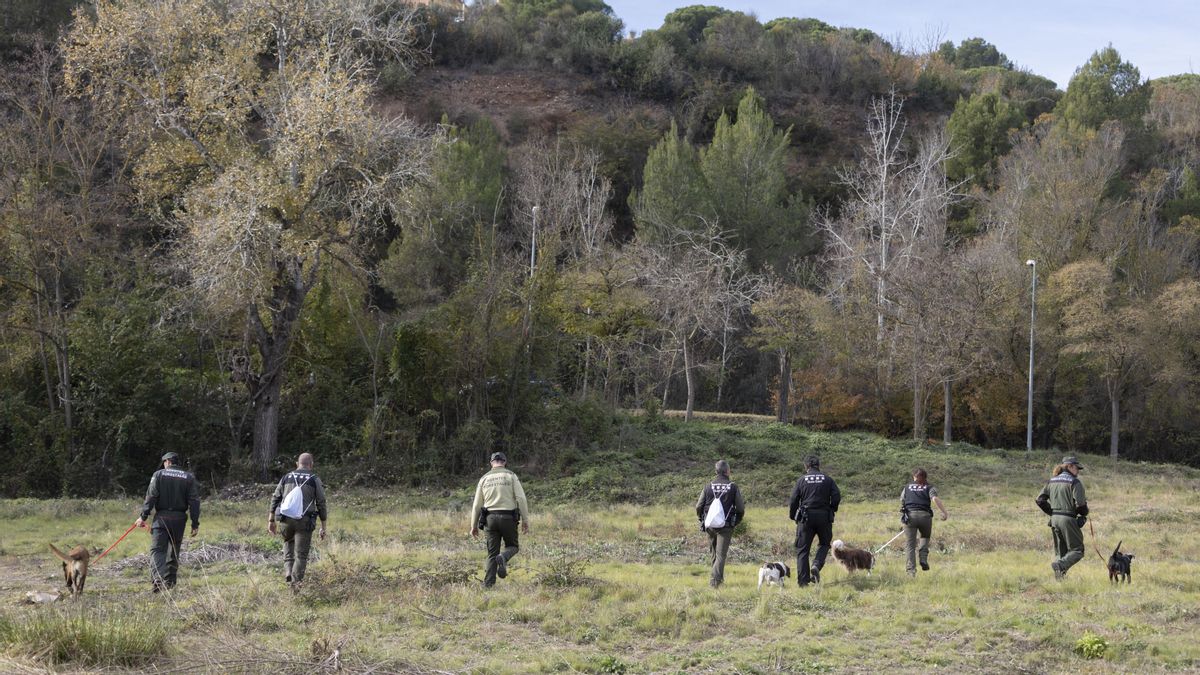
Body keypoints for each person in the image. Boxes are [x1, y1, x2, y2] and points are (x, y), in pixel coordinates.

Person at [134, 452, 200, 592]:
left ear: (168, 462)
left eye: (164, 462)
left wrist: (143, 516)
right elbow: (194, 502)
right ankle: (169, 582)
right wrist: (195, 524)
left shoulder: (158, 475)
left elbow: (151, 496)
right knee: (174, 551)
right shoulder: (189, 477)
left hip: (162, 519)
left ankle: (157, 579)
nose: (164, 465)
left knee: (157, 549)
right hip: (179, 519)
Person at [469, 451, 530, 588]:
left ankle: (488, 585)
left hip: (490, 519)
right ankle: (504, 557)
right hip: (508, 518)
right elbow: (521, 498)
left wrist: (473, 525)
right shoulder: (511, 476)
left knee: (492, 554)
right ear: (504, 462)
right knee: (513, 547)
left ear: (491, 463)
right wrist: (525, 520)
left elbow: (477, 505)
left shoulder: (484, 478)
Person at [268, 453, 328, 589]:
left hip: (285, 520)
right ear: (311, 465)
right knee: (301, 556)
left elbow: (275, 498)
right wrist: (323, 526)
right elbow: (321, 503)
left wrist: (271, 520)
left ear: (297, 464)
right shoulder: (314, 479)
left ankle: (288, 570)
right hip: (304, 521)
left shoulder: (286, 477)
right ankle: (295, 587)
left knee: (288, 543)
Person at [788, 455, 840, 586]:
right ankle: (816, 564)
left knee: (803, 550)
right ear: (819, 465)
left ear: (806, 466)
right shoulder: (828, 480)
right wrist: (831, 509)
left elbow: (793, 500)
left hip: (806, 518)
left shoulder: (801, 480)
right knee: (824, 544)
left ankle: (803, 583)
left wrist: (793, 515)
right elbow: (836, 496)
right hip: (824, 516)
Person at [1035, 456, 1089, 580]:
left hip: (1054, 519)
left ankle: (1060, 579)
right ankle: (1060, 565)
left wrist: (1052, 512)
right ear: (1069, 466)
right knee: (1077, 550)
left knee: (1061, 551)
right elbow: (1081, 505)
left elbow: (1040, 500)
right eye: (1077, 468)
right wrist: (1084, 514)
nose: (1078, 471)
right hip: (1068, 519)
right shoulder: (1074, 482)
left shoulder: (1052, 481)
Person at [695, 459, 745, 589]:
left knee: (714, 554)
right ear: (728, 471)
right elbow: (740, 508)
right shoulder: (733, 487)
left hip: (710, 525)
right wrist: (736, 521)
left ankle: (717, 579)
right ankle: (715, 582)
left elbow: (699, 505)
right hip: (726, 526)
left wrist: (702, 520)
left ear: (716, 471)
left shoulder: (708, 486)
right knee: (721, 555)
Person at [900, 468, 949, 576]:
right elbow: (935, 499)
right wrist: (944, 512)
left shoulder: (907, 487)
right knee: (925, 538)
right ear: (925, 477)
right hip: (925, 517)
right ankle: (923, 558)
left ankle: (911, 571)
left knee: (910, 545)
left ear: (914, 477)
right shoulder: (929, 487)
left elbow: (902, 500)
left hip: (910, 517)